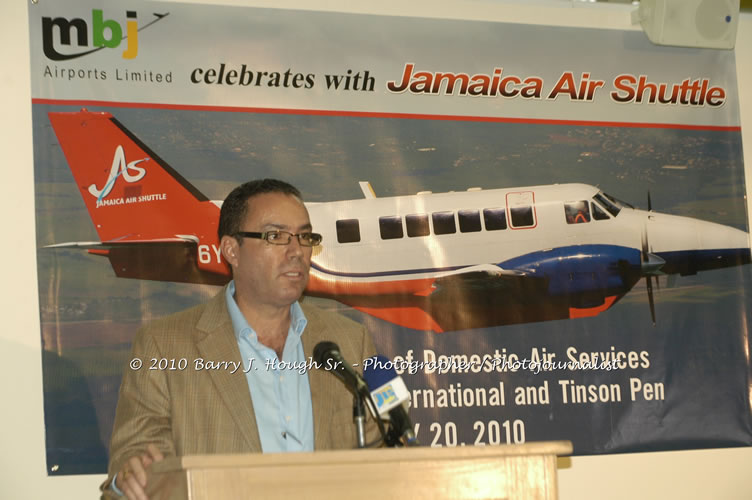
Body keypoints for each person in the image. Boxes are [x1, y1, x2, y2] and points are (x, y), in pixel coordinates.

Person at [101, 179, 378, 499]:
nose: (297, 251)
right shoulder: (163, 346)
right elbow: (135, 466)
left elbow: (384, 454)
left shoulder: (348, 341)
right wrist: (130, 481)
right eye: (276, 236)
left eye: (304, 236)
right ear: (231, 249)